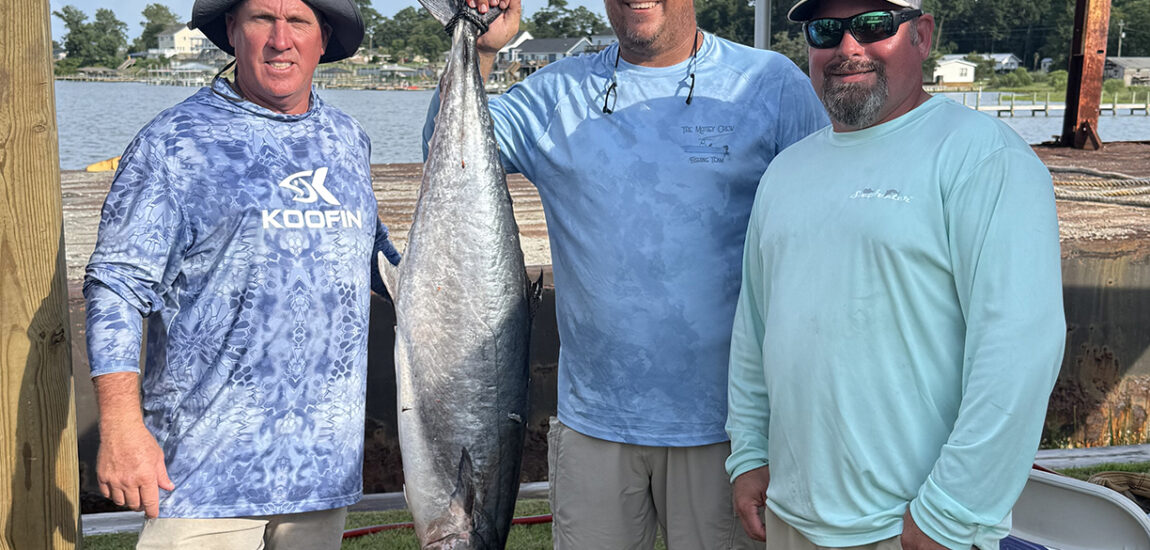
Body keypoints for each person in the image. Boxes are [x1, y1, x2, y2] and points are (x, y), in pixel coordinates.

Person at [428, 0, 828, 546]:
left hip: (733, 432)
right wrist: (477, 47)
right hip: (593, 425)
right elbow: (445, 153)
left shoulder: (770, 85)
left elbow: (828, 225)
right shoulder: (555, 93)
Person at [725, 0, 1066, 548]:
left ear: (922, 34)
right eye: (826, 30)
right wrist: (750, 453)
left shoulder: (984, 158)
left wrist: (952, 512)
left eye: (873, 25)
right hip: (790, 517)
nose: (848, 47)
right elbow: (755, 332)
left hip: (914, 529)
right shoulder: (784, 171)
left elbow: (1018, 353)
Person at [82, 0, 400, 548]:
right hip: (201, 480)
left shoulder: (348, 139)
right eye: (261, 19)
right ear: (232, 30)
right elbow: (115, 285)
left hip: (321, 478)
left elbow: (374, 259)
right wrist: (121, 427)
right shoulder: (174, 142)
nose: (281, 39)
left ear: (323, 38)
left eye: (298, 21)